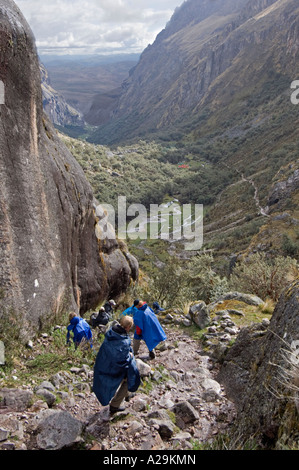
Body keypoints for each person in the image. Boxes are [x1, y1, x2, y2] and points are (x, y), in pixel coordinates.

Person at [93, 315, 141, 414]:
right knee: (131, 377)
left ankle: (127, 395)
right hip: (112, 369)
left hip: (104, 364)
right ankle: (115, 405)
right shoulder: (122, 341)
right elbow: (122, 360)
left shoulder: (111, 332)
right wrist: (130, 356)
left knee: (129, 373)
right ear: (128, 327)